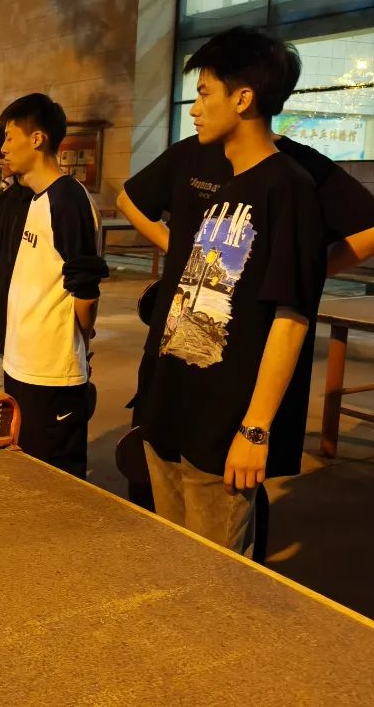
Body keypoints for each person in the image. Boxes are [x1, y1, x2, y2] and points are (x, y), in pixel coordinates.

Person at [126, 28, 326, 554]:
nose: (194, 109)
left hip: (222, 428)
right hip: (169, 410)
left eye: (204, 93)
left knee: (215, 577)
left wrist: (255, 429)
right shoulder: (226, 184)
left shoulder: (288, 188)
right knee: (172, 559)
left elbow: (291, 317)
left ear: (243, 99)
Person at [0, 94, 108, 479]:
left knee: (55, 478)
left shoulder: (68, 199)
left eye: (9, 138)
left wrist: (79, 340)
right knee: (25, 466)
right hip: (22, 363)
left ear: (37, 139)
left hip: (53, 372)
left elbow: (85, 290)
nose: (2, 148)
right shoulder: (34, 200)